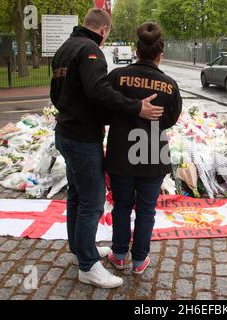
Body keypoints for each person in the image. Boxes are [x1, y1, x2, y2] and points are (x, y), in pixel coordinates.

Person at [51, 8, 164, 289]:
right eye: (107, 34)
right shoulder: (90, 50)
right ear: (104, 30)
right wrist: (136, 106)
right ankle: (88, 266)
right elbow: (98, 91)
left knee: (77, 196)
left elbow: (56, 93)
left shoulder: (65, 48)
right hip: (81, 137)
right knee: (92, 200)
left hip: (66, 131)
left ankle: (80, 251)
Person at [105, 22, 182, 274]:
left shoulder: (117, 77)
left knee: (122, 206)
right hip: (153, 151)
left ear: (136, 51)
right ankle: (139, 260)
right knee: (146, 210)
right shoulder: (169, 84)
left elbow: (104, 109)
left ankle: (118, 255)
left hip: (121, 151)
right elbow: (171, 119)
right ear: (160, 54)